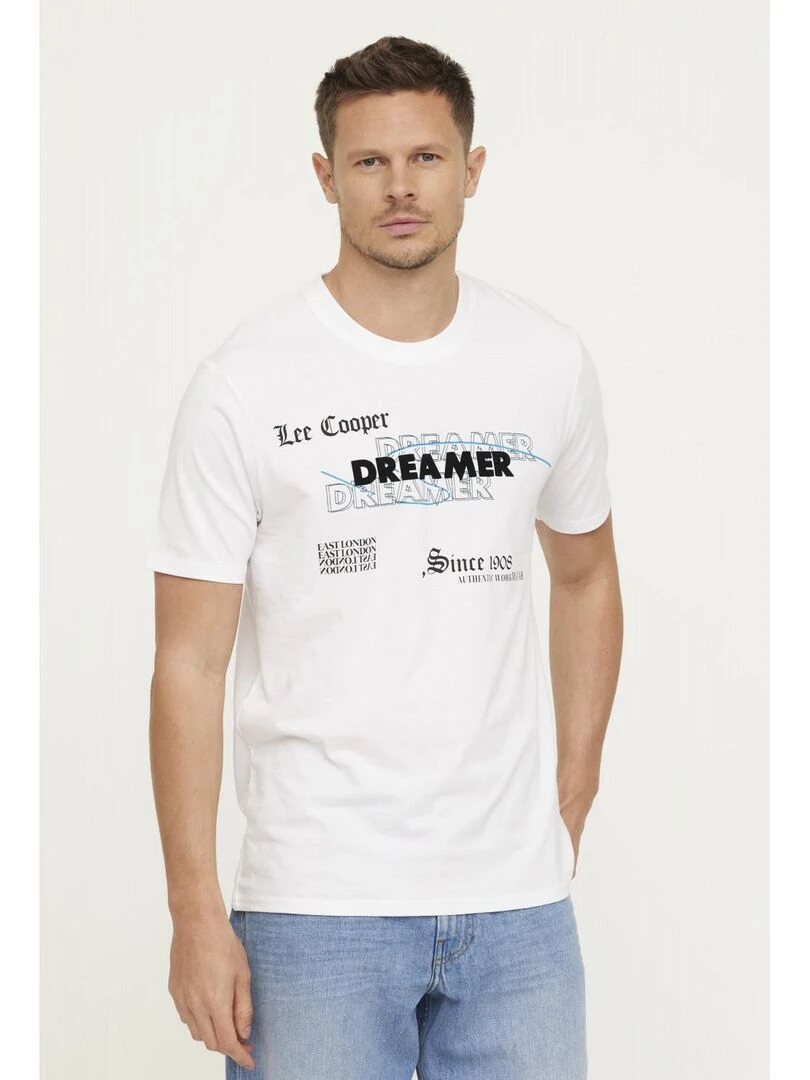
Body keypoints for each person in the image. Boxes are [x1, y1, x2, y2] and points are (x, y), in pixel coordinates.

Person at [147, 34, 623, 1080]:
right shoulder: (244, 384)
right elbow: (188, 660)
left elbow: (586, 573)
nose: (400, 187)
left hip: (519, 913)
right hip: (315, 910)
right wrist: (194, 910)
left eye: (426, 158)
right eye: (369, 161)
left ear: (472, 169)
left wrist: (574, 787)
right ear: (326, 177)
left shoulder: (546, 360)